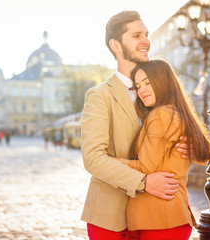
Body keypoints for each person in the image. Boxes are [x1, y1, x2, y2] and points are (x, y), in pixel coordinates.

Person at [80, 11, 191, 240]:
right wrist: (143, 182)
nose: (146, 41)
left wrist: (185, 147)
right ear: (116, 45)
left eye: (147, 34)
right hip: (110, 217)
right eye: (137, 35)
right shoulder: (100, 95)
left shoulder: (159, 93)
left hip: (156, 215)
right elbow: (93, 157)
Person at [113, 59, 210, 239]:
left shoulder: (161, 114)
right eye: (138, 86)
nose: (142, 89)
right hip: (165, 217)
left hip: (160, 218)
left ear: (163, 81)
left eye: (147, 82)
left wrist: (113, 162)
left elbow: (146, 168)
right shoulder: (175, 112)